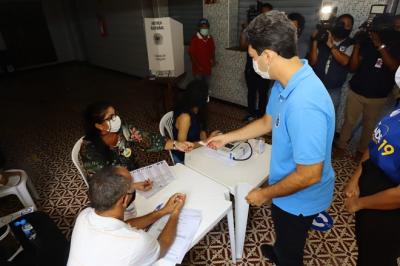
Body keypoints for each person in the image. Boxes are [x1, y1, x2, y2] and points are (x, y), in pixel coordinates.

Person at [207, 11, 335, 265]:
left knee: (291, 250)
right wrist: (226, 138)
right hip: (285, 185)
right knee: (284, 237)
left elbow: (309, 174)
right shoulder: (286, 79)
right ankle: (279, 251)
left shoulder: (304, 103)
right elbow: (267, 121)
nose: (253, 62)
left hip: (300, 196)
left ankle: (284, 257)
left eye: (253, 57)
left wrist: (264, 195)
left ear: (268, 55)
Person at [67, 166, 186, 266]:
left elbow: (124, 226)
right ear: (124, 200)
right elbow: (162, 247)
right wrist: (175, 213)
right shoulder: (137, 242)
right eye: (131, 188)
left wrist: (163, 211)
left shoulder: (84, 215)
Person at [344, 66, 400, 266]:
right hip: (369, 192)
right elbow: (375, 143)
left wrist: (359, 203)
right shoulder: (397, 110)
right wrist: (355, 178)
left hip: (388, 209)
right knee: (366, 249)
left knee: (379, 257)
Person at [335, 14, 400, 161]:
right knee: (349, 122)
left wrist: (380, 46)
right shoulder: (366, 42)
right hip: (357, 91)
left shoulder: (397, 43)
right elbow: (353, 68)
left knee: (369, 125)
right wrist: (358, 45)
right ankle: (340, 147)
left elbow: (394, 68)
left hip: (378, 95)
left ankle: (360, 152)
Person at [80, 102, 193, 177]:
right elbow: (103, 182)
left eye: (115, 114)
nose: (117, 119)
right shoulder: (89, 150)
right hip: (114, 192)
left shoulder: (123, 129)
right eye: (111, 117)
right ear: (99, 126)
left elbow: (150, 140)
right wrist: (133, 186)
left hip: (135, 176)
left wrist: (176, 144)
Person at [309, 14, 354, 121]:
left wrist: (331, 46)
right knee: (311, 114)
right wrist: (315, 40)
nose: (344, 27)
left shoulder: (351, 43)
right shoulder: (323, 39)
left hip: (333, 90)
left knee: (329, 118)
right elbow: (312, 61)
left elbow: (344, 61)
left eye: (348, 25)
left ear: (351, 28)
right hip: (316, 87)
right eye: (342, 24)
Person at [172, 80, 220, 163]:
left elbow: (202, 131)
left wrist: (207, 144)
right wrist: (207, 141)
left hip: (196, 149)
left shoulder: (198, 109)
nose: (208, 95)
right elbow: (183, 147)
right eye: (207, 94)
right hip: (184, 156)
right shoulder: (185, 117)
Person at [240, 2, 273, 122]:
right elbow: (243, 45)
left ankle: (261, 116)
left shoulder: (274, 32)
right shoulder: (253, 30)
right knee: (252, 93)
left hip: (265, 69)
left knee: (263, 94)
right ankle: (251, 114)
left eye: (267, 13)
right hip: (251, 68)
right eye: (262, 13)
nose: (264, 16)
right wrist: (245, 30)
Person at [188, 18, 215, 86]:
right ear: (199, 28)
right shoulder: (194, 39)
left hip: (207, 69)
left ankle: (206, 97)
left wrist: (213, 59)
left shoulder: (210, 38)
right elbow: (191, 55)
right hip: (198, 71)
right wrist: (198, 66)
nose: (205, 29)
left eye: (206, 27)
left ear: (208, 28)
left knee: (206, 88)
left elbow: (213, 50)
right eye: (203, 27)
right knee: (198, 88)